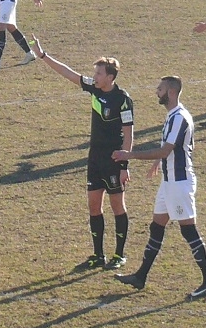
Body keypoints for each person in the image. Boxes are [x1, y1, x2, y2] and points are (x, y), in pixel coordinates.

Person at [30, 38, 133, 270]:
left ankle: (119, 254)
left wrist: (124, 165)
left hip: (114, 161)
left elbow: (128, 134)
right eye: (94, 73)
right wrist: (43, 55)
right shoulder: (94, 88)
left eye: (98, 73)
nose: (94, 76)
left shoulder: (123, 100)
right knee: (94, 207)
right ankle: (98, 255)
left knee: (118, 207)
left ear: (110, 77)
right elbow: (69, 73)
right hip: (94, 159)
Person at [112, 76, 206, 300]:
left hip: (179, 184)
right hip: (169, 182)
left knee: (189, 231)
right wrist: (158, 163)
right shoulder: (173, 116)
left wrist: (129, 155)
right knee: (156, 226)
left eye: (160, 89)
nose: (156, 92)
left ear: (170, 92)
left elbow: (165, 150)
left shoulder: (179, 117)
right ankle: (140, 276)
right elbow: (173, 149)